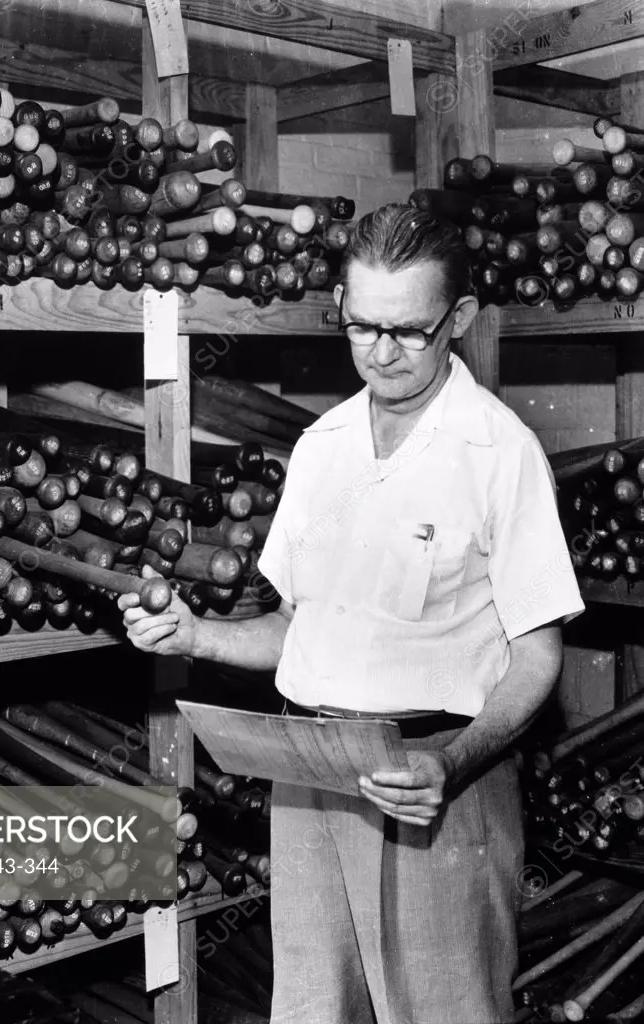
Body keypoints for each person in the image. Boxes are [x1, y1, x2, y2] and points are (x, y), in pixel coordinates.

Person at [119, 203, 585, 1024]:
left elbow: (537, 655)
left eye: (408, 330)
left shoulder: (499, 451)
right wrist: (198, 637)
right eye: (361, 326)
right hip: (312, 774)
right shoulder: (322, 447)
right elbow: (302, 630)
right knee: (311, 1009)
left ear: (459, 321)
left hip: (436, 779)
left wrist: (457, 762)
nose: (382, 352)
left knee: (446, 1011)